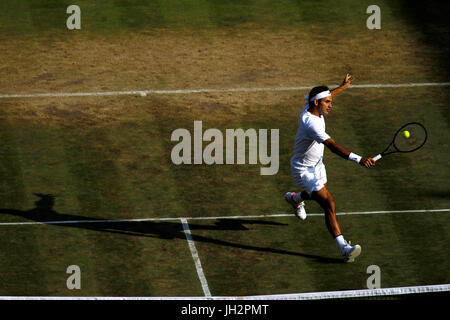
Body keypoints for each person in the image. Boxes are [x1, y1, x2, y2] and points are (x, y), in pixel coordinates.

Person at [285, 74, 375, 262]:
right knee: (328, 203)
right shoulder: (311, 123)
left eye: (330, 101)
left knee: (318, 194)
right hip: (304, 170)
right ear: (317, 103)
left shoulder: (312, 105)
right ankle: (344, 249)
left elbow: (327, 95)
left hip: (317, 165)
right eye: (327, 102)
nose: (330, 105)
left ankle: (296, 198)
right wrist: (358, 159)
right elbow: (333, 146)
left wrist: (342, 87)